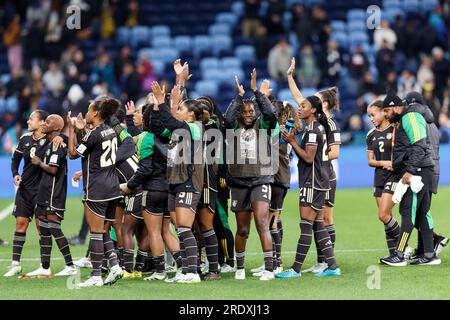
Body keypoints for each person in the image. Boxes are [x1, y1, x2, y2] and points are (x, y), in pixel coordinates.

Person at [276, 95, 341, 278]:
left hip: (312, 183)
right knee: (318, 224)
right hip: (319, 181)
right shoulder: (314, 128)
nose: (300, 108)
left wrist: (292, 141)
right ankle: (333, 266)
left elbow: (308, 157)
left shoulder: (313, 130)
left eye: (303, 105)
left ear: (313, 110)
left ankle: (295, 270)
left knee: (306, 225)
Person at [224, 69, 278, 281]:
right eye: (244, 112)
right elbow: (227, 119)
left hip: (261, 180)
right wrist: (238, 97)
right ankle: (240, 267)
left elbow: (271, 115)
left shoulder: (263, 125)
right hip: (238, 181)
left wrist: (256, 92)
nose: (248, 115)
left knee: (262, 224)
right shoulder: (232, 127)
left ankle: (269, 267)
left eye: (251, 112)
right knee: (243, 229)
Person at [150, 81, 205, 283]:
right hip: (174, 182)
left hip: (188, 182)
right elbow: (157, 127)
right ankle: (187, 270)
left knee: (184, 227)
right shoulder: (177, 130)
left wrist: (164, 101)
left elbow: (171, 122)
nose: (178, 111)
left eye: (181, 109)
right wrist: (158, 105)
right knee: (179, 228)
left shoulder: (194, 128)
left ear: (191, 114)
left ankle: (192, 272)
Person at [67, 97, 124, 287]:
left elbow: (73, 153)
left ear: (97, 113)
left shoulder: (95, 133)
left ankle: (96, 276)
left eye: (90, 110)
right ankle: (115, 266)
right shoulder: (110, 131)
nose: (87, 112)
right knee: (104, 229)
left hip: (97, 188)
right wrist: (84, 129)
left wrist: (71, 129)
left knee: (96, 232)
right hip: (113, 186)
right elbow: (93, 150)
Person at [380, 93, 440, 266]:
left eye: (387, 110)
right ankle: (429, 255)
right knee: (422, 212)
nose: (385, 114)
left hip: (417, 172)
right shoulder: (406, 118)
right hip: (421, 170)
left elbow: (419, 145)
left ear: (397, 107)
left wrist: (410, 170)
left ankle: (398, 255)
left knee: (408, 211)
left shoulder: (410, 116)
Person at [4, 110, 62, 277]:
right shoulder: (24, 139)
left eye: (31, 119)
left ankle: (45, 266)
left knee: (41, 228)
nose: (28, 121)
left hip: (41, 191)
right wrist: (15, 173)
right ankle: (15, 264)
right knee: (20, 224)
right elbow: (15, 159)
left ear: (42, 122)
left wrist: (61, 137)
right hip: (24, 190)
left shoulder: (50, 139)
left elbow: (64, 140)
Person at [251, 100, 300, 276]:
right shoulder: (284, 129)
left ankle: (275, 263)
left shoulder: (280, 131)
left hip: (278, 179)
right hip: (278, 178)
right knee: (271, 221)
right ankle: (271, 260)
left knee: (271, 222)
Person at [26, 114, 76, 277]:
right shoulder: (49, 142)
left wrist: (40, 163)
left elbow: (53, 170)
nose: (44, 124)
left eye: (48, 122)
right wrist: (60, 136)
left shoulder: (57, 145)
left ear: (56, 127)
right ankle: (44, 266)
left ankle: (70, 265)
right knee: (44, 229)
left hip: (54, 192)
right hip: (44, 191)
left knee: (54, 227)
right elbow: (36, 153)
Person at [403, 92, 448, 259]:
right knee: (421, 211)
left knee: (418, 212)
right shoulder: (432, 123)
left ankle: (432, 243)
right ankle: (424, 249)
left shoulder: (416, 121)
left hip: (423, 169)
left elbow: (419, 148)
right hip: (433, 170)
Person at [366, 100, 400, 257]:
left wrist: (395, 164)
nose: (371, 118)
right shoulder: (370, 135)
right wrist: (383, 162)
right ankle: (393, 253)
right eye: (369, 116)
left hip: (393, 176)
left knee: (383, 214)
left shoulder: (395, 130)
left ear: (383, 112)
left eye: (373, 114)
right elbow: (370, 161)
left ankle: (403, 246)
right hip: (378, 177)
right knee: (386, 217)